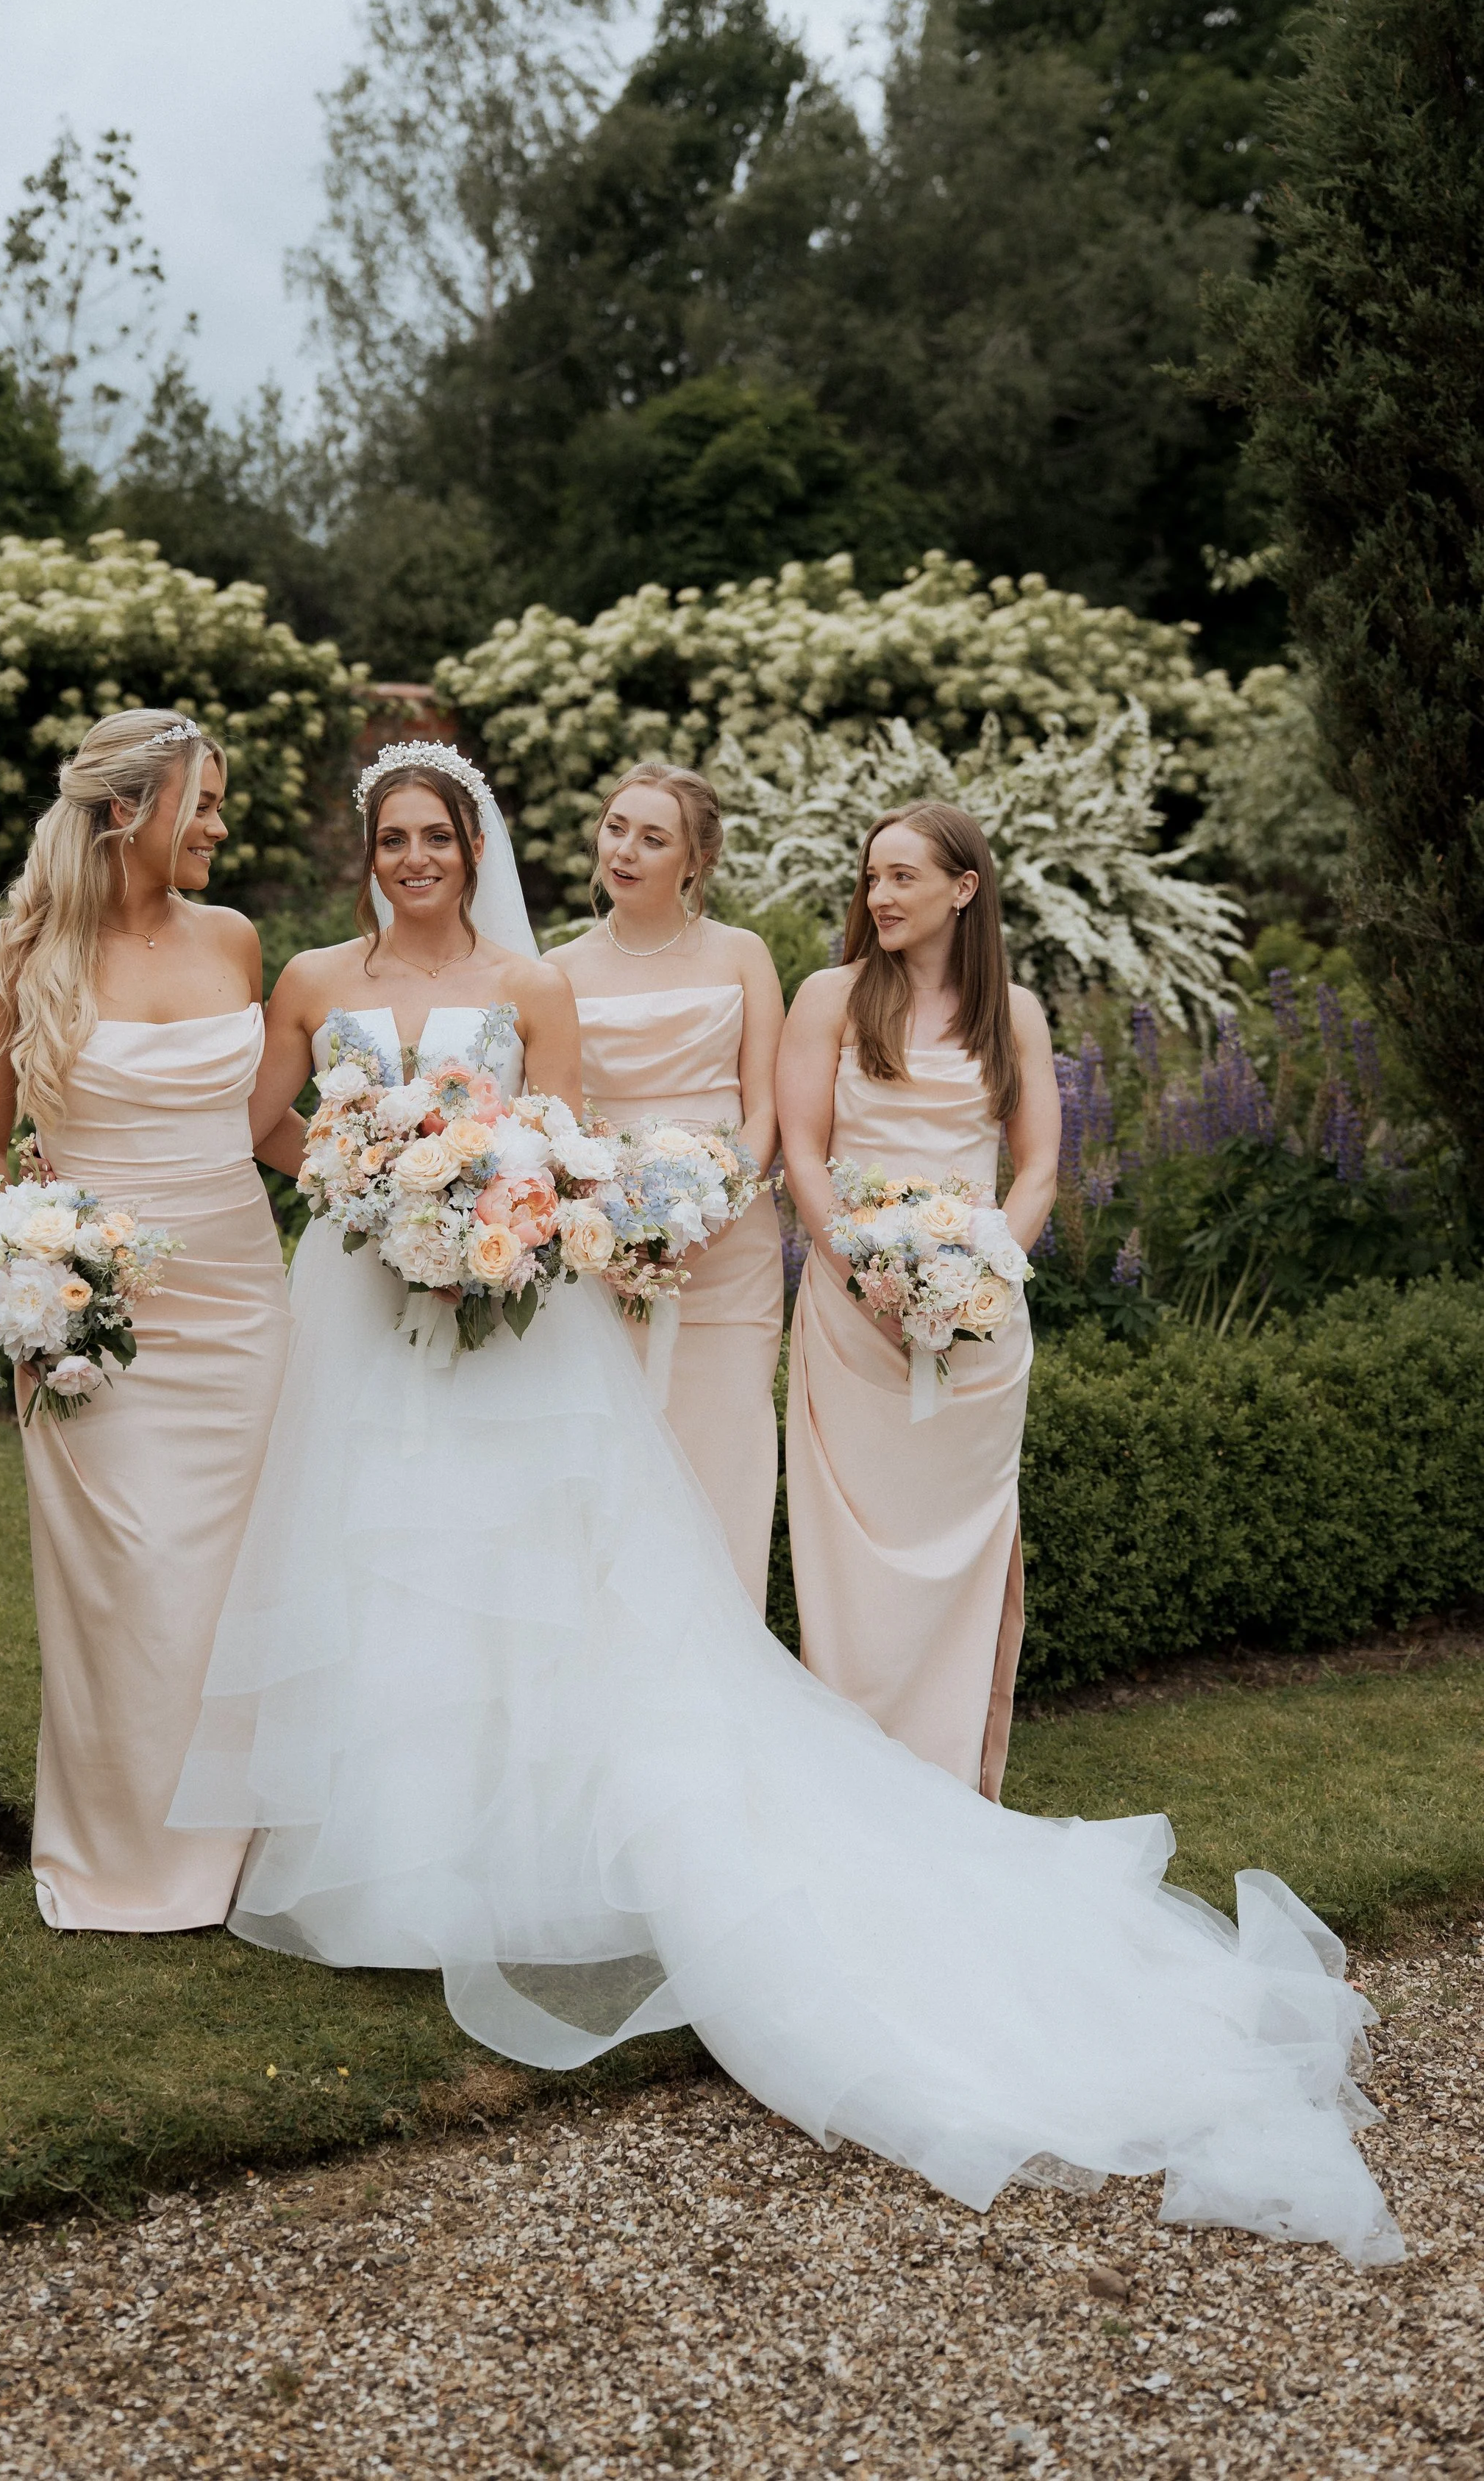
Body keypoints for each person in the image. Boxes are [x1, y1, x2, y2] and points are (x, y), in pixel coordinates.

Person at [170, 742, 1398, 2268]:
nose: (414, 855)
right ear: (370, 850)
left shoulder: (538, 981)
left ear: (471, 849)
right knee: (379, 1550)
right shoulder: (312, 975)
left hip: (515, 1276)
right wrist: (372, 1185)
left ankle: (547, 1835)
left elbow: (552, 1137)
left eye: (437, 835)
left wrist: (490, 1202)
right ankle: (392, 1852)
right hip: (368, 1291)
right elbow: (265, 1124)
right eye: (393, 837)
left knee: (516, 1549)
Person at [0, 709, 298, 1932]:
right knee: (136, 1580)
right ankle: (132, 1857)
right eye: (204, 803)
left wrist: (385, 1173)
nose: (219, 827)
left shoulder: (235, 940)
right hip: (96, 1317)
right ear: (123, 811)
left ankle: (252, 1849)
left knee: (246, 1576)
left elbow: (259, 1123)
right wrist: (24, 1254)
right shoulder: (17, 957)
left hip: (243, 1304)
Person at [777, 803, 1058, 1800]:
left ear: (963, 888)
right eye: (873, 878)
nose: (881, 896)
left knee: (962, 1550)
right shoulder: (830, 997)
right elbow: (803, 1151)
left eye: (902, 877)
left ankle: (953, 1780)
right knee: (852, 1560)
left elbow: (1038, 1167)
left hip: (977, 1325)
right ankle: (850, 1782)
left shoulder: (1014, 1013)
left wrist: (979, 1280)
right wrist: (865, 1278)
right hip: (849, 1318)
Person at [546, 763, 785, 1609]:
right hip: (604, 1250)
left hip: (732, 1248)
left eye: (653, 838)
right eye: (616, 828)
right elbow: (558, 1121)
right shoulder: (557, 969)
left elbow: (767, 1108)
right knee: (611, 1456)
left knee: (726, 1446)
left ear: (696, 860)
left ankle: (728, 1647)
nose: (625, 851)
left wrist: (706, 1215)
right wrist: (616, 1227)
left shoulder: (742, 955)